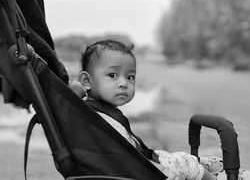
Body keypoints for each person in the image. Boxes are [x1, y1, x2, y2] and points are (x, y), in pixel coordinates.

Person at [69, 39, 224, 180]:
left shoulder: (88, 110)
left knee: (185, 159)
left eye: (130, 77)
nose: (124, 83)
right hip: (147, 170)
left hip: (148, 159)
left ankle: (208, 165)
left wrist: (77, 91)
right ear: (87, 80)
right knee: (188, 165)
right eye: (112, 75)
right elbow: (128, 160)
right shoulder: (103, 122)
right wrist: (163, 172)